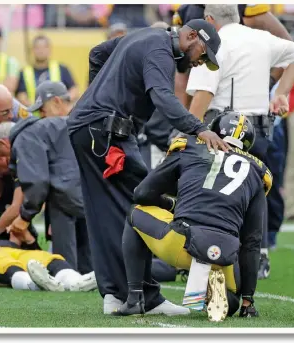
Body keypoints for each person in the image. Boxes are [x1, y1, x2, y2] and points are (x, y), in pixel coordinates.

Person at [67, 19, 228, 315]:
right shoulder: (160, 51)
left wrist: (96, 96)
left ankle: (116, 294)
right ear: (191, 35)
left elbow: (97, 53)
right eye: (202, 54)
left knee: (109, 212)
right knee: (141, 202)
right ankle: (144, 296)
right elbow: (162, 97)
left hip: (93, 129)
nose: (198, 62)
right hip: (106, 132)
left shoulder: (145, 36)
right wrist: (199, 128)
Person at [116, 111, 271, 320]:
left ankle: (135, 297)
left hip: (182, 242)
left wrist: (171, 203)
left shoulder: (189, 147)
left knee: (134, 213)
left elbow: (142, 193)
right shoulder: (257, 171)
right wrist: (248, 301)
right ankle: (231, 299)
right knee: (231, 297)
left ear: (213, 131)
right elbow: (252, 241)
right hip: (224, 252)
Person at [186, 5, 294, 279]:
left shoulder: (215, 42)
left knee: (214, 196)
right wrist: (280, 93)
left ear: (210, 20)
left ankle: (211, 256)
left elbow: (204, 93)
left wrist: (186, 132)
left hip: (221, 128)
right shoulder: (260, 38)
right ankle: (257, 255)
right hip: (259, 130)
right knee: (254, 193)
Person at [0, 117, 92, 274]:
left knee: (66, 265)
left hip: (64, 194)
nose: (3, 157)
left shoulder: (24, 138)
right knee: (88, 251)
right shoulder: (49, 125)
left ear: (4, 143)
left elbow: (37, 183)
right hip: (86, 185)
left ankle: (67, 280)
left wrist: (25, 216)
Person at [172, 4, 293, 108]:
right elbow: (182, 71)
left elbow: (290, 49)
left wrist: (269, 83)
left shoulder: (244, 8)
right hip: (204, 95)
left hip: (242, 99)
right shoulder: (186, 11)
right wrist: (183, 115)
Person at [0, 240, 97, 292]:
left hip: (15, 246)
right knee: (5, 265)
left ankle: (77, 282)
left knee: (46, 258)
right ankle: (34, 284)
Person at [16, 35, 78, 110]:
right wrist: (38, 107)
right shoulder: (24, 72)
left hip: (58, 116)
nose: (41, 51)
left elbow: (74, 90)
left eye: (44, 47)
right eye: (37, 48)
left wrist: (62, 103)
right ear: (32, 50)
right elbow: (21, 95)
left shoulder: (61, 68)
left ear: (50, 49)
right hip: (35, 116)